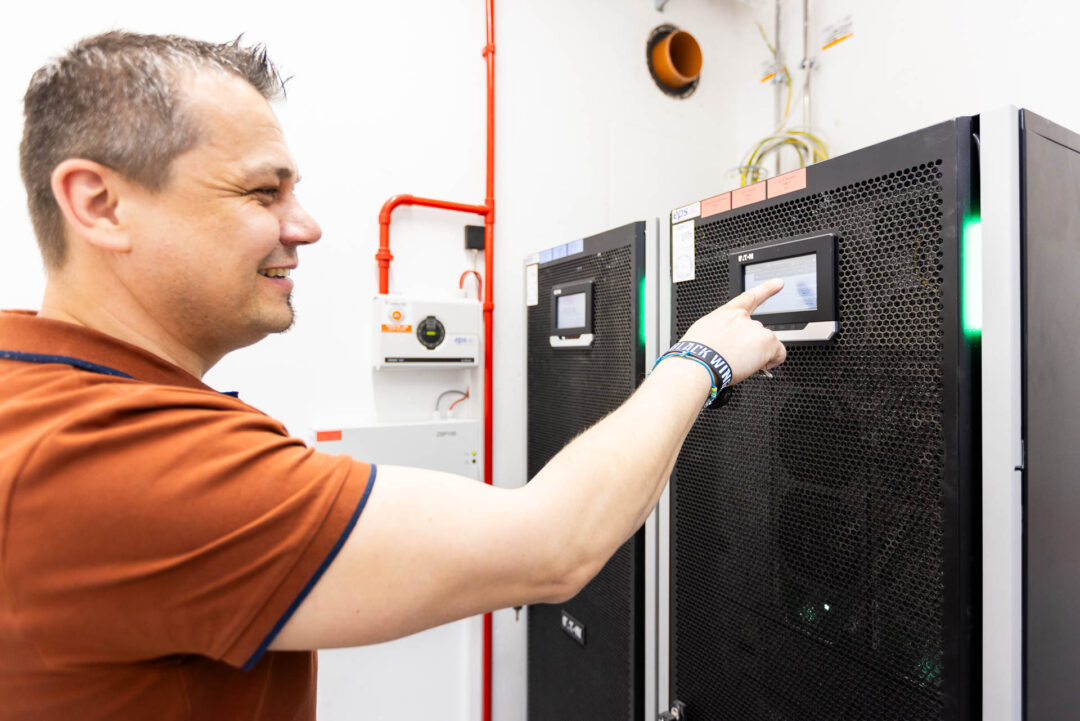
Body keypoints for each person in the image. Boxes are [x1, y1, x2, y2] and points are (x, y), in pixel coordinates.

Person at [0, 31, 786, 720]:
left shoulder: (31, 387)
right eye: (261, 190)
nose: (304, 224)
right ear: (99, 203)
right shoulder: (115, 459)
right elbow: (556, 544)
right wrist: (701, 358)